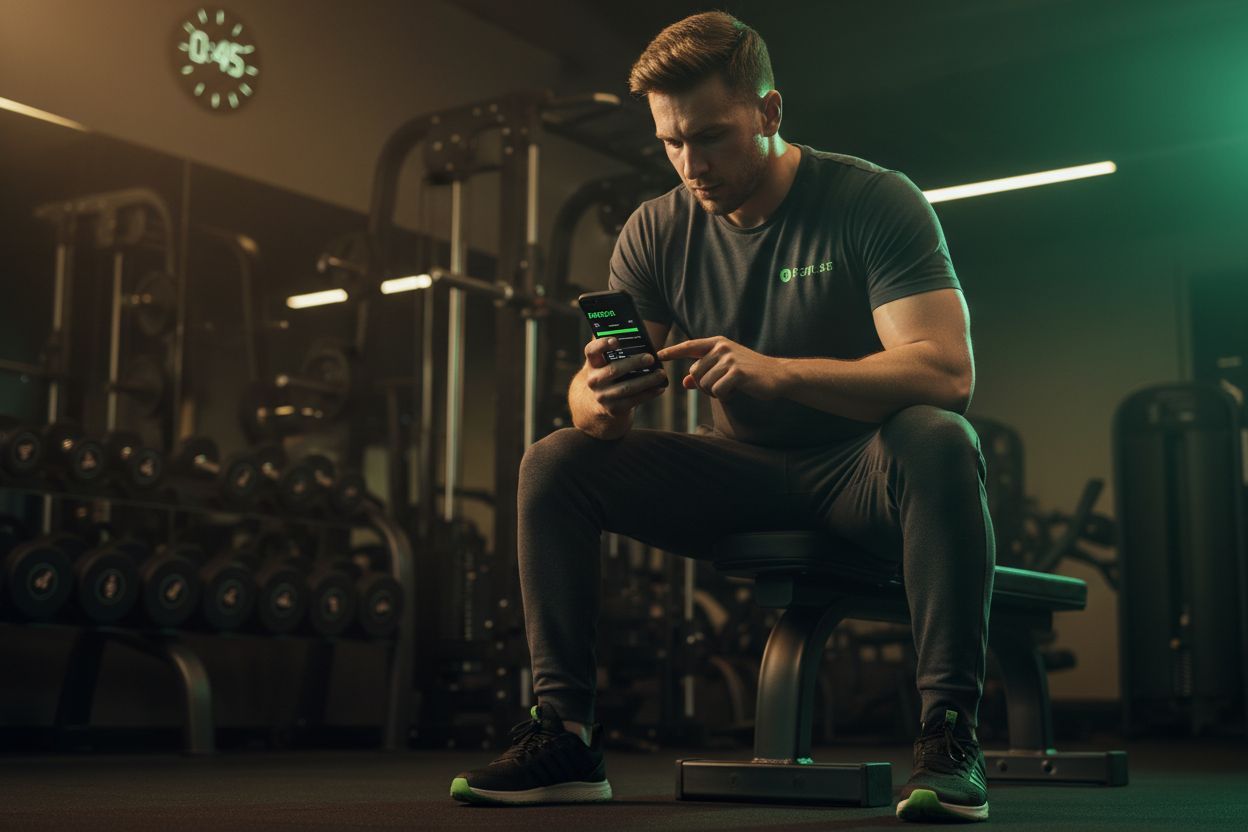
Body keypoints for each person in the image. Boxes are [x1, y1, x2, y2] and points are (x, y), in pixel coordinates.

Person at [451, 10, 994, 823]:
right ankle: (564, 734)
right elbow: (593, 404)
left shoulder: (872, 200)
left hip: (862, 469)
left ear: (769, 113)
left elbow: (946, 371)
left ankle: (947, 734)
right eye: (671, 142)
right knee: (555, 459)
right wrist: (597, 398)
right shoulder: (656, 229)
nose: (690, 164)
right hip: (736, 472)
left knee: (940, 435)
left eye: (710, 137)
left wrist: (779, 374)